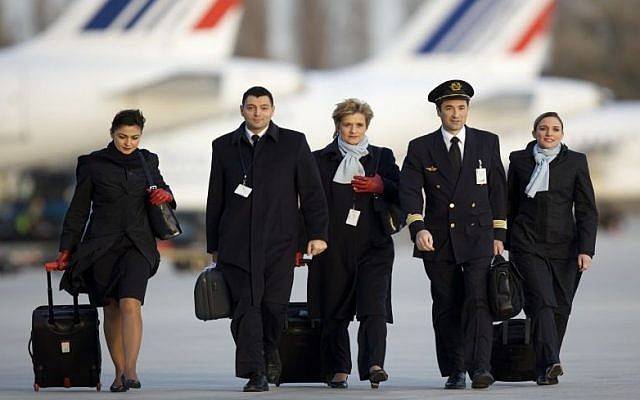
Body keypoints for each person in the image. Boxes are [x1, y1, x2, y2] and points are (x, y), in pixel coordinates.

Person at [206, 86, 329, 392]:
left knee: (273, 307)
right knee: (246, 308)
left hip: (280, 242)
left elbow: (311, 193)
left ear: (273, 110)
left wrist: (316, 234)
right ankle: (255, 372)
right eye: (251, 107)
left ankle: (268, 350)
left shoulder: (293, 143)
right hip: (235, 245)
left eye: (263, 107)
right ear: (242, 110)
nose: (257, 112)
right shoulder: (223, 147)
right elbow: (216, 198)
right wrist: (213, 245)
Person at [45, 109, 175, 392]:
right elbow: (78, 210)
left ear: (140, 136)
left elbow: (164, 192)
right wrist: (66, 249)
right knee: (111, 309)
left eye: (134, 137)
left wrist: (166, 195)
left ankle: (131, 370)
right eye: (122, 137)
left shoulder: (148, 160)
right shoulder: (92, 164)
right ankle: (118, 373)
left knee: (131, 303)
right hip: (101, 245)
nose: (129, 142)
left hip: (139, 245)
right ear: (112, 133)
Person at [399, 80, 507, 389]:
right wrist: (417, 227)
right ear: (439, 112)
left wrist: (499, 232)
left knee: (478, 300)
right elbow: (409, 190)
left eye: (461, 108)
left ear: (468, 110)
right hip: (438, 239)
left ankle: (481, 368)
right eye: (449, 109)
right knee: (446, 303)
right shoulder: (421, 147)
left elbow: (498, 188)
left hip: (478, 236)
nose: (456, 115)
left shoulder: (487, 142)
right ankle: (455, 369)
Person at [306, 98, 399, 389]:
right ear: (338, 126)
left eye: (359, 125)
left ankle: (374, 365)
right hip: (332, 246)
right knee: (334, 311)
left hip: (375, 245)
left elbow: (402, 192)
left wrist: (381, 185)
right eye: (347, 125)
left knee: (374, 309)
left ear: (367, 126)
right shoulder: (319, 159)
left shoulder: (382, 157)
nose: (353, 130)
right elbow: (307, 203)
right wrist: (305, 240)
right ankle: (338, 369)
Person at [506, 111, 598, 385]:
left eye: (555, 129)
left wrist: (586, 249)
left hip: (566, 248)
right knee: (543, 303)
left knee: (561, 307)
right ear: (534, 132)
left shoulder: (576, 162)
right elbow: (508, 204)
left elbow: (586, 210)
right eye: (543, 128)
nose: (549, 133)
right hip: (527, 244)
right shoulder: (519, 160)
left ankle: (543, 368)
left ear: (562, 133)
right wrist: (502, 239)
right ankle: (551, 361)